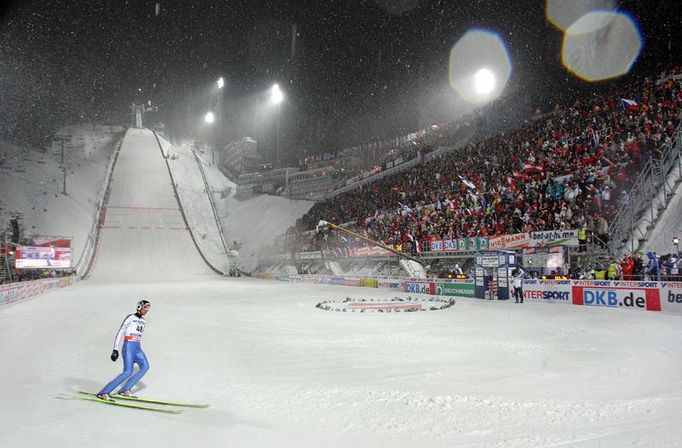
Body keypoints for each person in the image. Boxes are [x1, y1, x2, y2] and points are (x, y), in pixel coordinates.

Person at [97, 300, 151, 400]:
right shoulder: (131, 318)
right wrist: (115, 349)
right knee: (128, 372)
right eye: (145, 308)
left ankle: (125, 389)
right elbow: (121, 332)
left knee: (145, 366)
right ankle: (104, 392)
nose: (146, 310)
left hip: (137, 347)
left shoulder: (143, 321)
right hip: (129, 346)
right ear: (139, 307)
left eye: (148, 308)